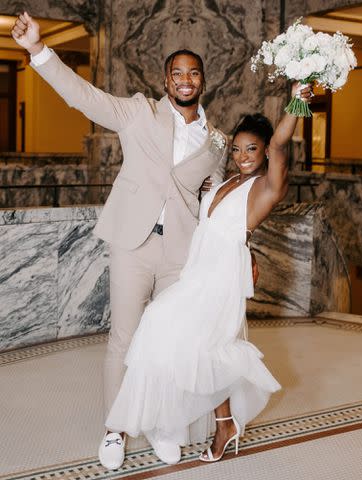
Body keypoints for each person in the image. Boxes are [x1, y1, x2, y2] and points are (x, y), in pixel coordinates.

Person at [10, 11, 237, 470]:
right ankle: (116, 429)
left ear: (204, 81)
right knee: (125, 339)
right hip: (132, 245)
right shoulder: (138, 112)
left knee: (171, 343)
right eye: (178, 73)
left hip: (181, 252)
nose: (186, 80)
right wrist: (38, 50)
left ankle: (164, 425)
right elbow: (83, 97)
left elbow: (212, 200)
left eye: (194, 73)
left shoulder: (217, 140)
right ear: (165, 80)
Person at [103, 83, 313, 466]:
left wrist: (297, 98)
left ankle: (194, 424)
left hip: (219, 274)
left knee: (177, 332)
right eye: (236, 148)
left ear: (266, 151)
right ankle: (214, 424)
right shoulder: (228, 181)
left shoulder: (267, 186)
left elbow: (282, 142)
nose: (242, 156)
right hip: (198, 268)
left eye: (252, 148)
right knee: (201, 348)